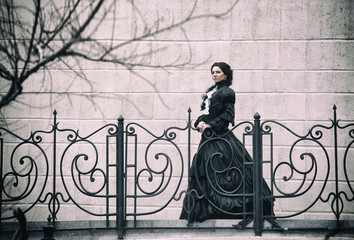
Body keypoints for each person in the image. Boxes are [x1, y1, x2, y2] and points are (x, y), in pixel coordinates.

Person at [180, 62, 276, 227]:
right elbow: (207, 113)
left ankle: (243, 210)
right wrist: (201, 122)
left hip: (222, 139)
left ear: (225, 74)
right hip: (208, 140)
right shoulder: (211, 92)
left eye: (218, 72)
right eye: (213, 72)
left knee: (232, 173)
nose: (215, 74)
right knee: (207, 173)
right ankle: (211, 210)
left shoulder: (227, 92)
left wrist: (210, 125)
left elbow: (229, 115)